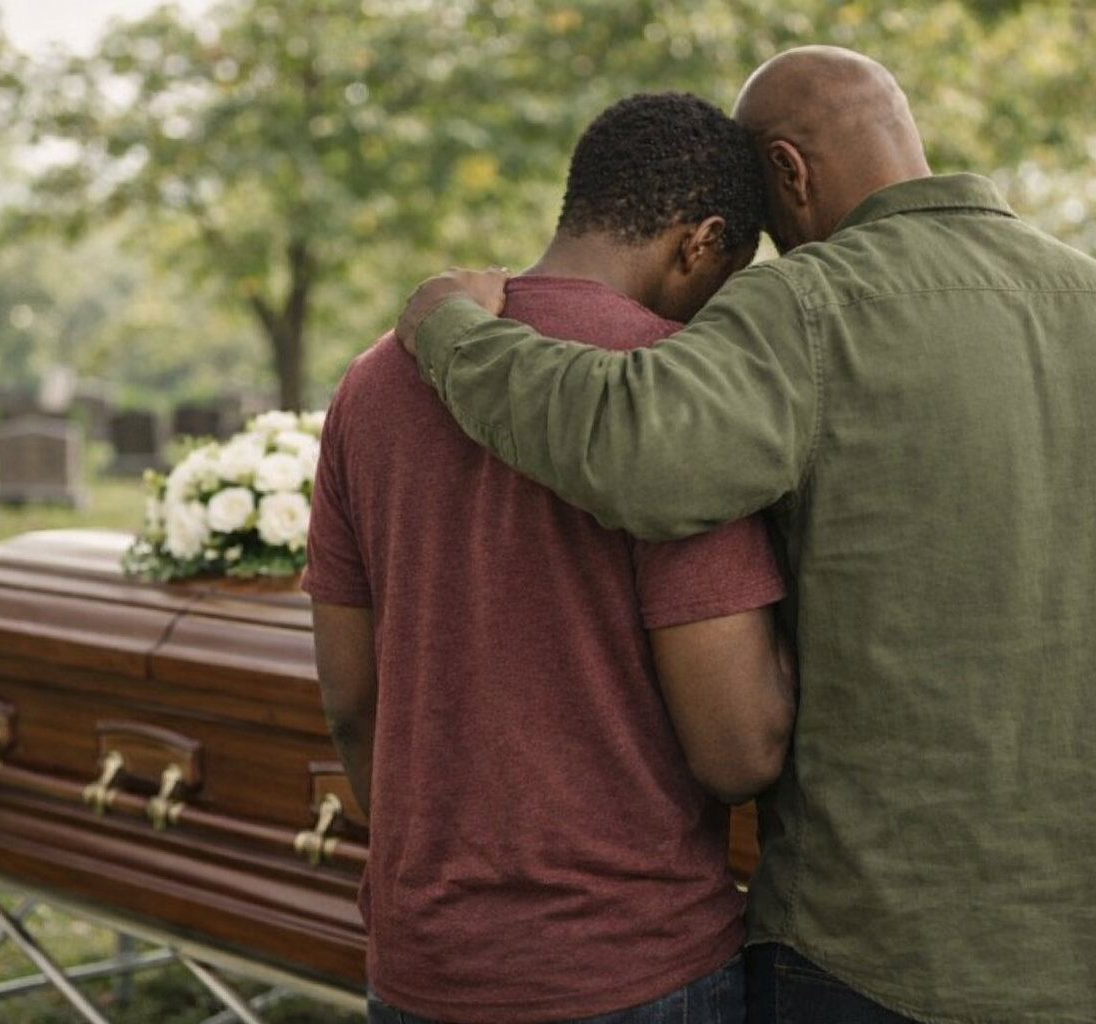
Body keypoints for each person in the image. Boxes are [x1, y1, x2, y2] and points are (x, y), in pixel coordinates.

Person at [394, 45, 1096, 1024]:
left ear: (789, 173)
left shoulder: (811, 308)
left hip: (877, 960)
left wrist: (451, 331)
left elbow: (634, 448)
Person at [303, 91, 795, 1024]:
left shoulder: (374, 382)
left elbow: (349, 699)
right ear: (703, 241)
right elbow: (737, 747)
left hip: (422, 963)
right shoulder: (673, 390)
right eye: (731, 272)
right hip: (632, 966)